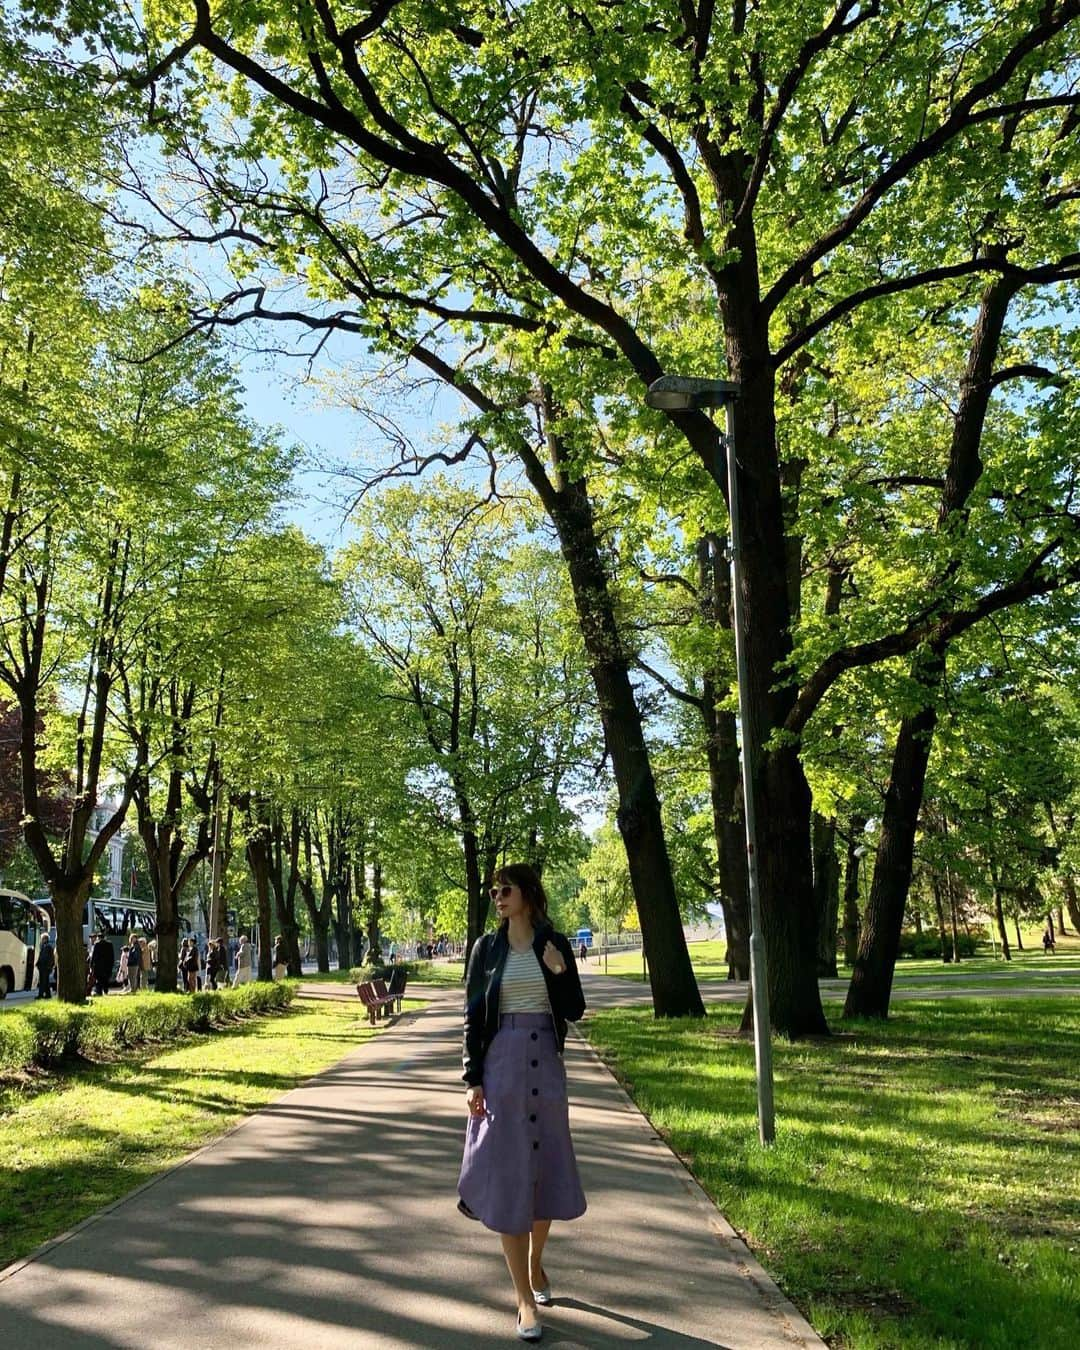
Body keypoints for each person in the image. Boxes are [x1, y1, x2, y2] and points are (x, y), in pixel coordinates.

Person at [458, 863, 586, 1343]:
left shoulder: (553, 944)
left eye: (505, 889)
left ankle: (536, 1264)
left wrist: (560, 971)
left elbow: (573, 1008)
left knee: (544, 1170)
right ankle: (524, 1300)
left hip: (546, 1067)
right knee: (510, 1177)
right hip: (502, 1066)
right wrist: (472, 1079)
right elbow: (472, 1017)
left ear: (528, 895)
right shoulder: (486, 950)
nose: (497, 896)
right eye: (493, 890)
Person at [90, 933, 115, 997]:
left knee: (99, 979)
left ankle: (99, 992)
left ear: (98, 938)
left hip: (98, 966)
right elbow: (112, 956)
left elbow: (94, 956)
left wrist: (91, 965)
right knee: (106, 979)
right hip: (107, 966)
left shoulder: (97, 944)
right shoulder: (110, 944)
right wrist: (112, 964)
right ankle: (106, 990)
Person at [35, 933, 55, 999]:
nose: (41, 940)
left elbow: (50, 958)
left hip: (45, 967)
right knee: (45, 982)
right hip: (43, 966)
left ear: (45, 939)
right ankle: (48, 995)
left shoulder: (48, 947)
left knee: (43, 981)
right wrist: (38, 963)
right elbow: (41, 957)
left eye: (42, 938)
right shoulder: (43, 946)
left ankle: (41, 995)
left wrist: (50, 966)